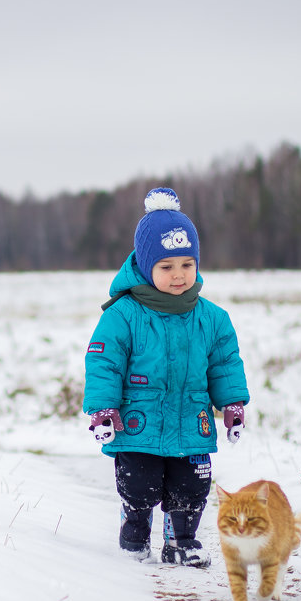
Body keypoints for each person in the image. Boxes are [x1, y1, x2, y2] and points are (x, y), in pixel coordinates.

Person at [83, 188, 249, 566]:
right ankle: (135, 528)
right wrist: (103, 407)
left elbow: (224, 363)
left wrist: (233, 404)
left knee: (192, 487)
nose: (178, 276)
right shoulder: (123, 315)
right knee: (140, 485)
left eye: (187, 264)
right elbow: (104, 361)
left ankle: (181, 540)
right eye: (166, 267)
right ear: (145, 266)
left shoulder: (212, 317)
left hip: (192, 420)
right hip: (138, 423)